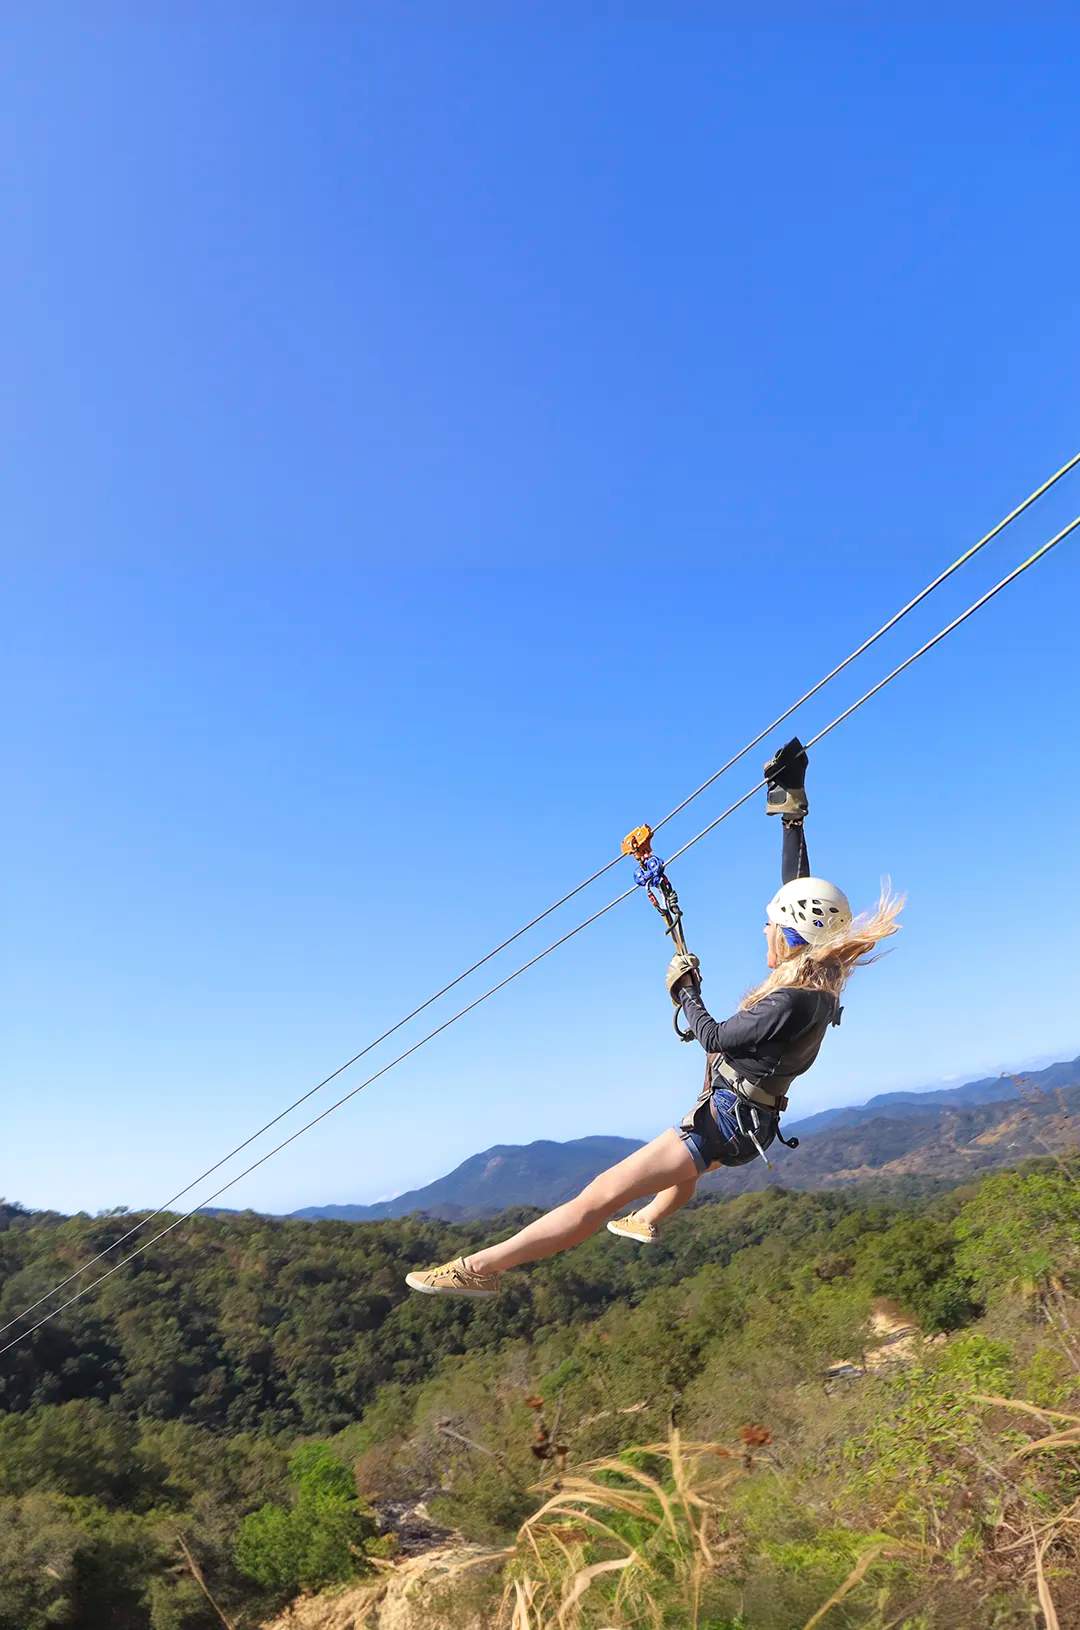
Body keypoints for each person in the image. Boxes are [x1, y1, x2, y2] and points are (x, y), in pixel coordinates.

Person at [405, 740, 901, 1298]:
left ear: (790, 934)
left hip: (724, 1123)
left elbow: (712, 1035)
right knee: (678, 1174)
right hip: (747, 1126)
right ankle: (652, 1217)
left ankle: (480, 1268)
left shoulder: (789, 1001)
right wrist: (789, 803)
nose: (763, 930)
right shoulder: (821, 982)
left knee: (598, 1197)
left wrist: (683, 989)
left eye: (770, 924)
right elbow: (799, 888)